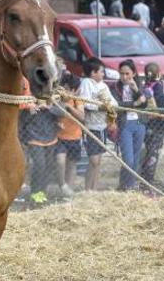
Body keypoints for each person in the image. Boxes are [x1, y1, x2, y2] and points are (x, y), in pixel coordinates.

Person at [78, 57, 117, 191]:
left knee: (98, 161)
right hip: (91, 127)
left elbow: (113, 103)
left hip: (102, 126)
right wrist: (102, 106)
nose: (103, 74)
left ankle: (93, 189)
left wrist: (109, 107)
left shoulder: (104, 86)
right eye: (101, 71)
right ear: (93, 73)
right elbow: (86, 103)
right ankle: (87, 189)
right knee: (93, 160)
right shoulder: (86, 83)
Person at [19, 97, 65, 206]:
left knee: (48, 166)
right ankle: (35, 193)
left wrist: (48, 107)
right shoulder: (30, 104)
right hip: (34, 139)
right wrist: (35, 108)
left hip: (51, 138)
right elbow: (23, 120)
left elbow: (62, 112)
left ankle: (42, 193)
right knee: (40, 165)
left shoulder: (53, 102)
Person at [111, 59, 148, 191]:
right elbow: (117, 105)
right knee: (128, 160)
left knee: (136, 158)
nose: (124, 77)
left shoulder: (139, 83)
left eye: (127, 73)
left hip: (139, 123)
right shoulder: (115, 87)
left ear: (133, 73)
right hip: (124, 124)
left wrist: (136, 90)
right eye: (122, 73)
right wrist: (134, 104)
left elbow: (144, 103)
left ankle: (127, 186)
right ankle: (126, 185)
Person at [139, 63, 164, 185]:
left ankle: (144, 177)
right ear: (158, 73)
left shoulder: (144, 86)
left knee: (148, 151)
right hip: (157, 125)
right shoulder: (158, 86)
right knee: (153, 153)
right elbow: (161, 103)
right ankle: (148, 180)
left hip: (147, 124)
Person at [54, 71, 84, 198]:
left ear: (74, 91)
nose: (64, 93)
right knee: (60, 161)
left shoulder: (77, 101)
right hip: (60, 137)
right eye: (63, 89)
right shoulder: (56, 99)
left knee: (72, 165)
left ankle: (68, 192)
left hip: (75, 137)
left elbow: (82, 117)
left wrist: (69, 107)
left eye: (67, 90)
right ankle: (62, 185)